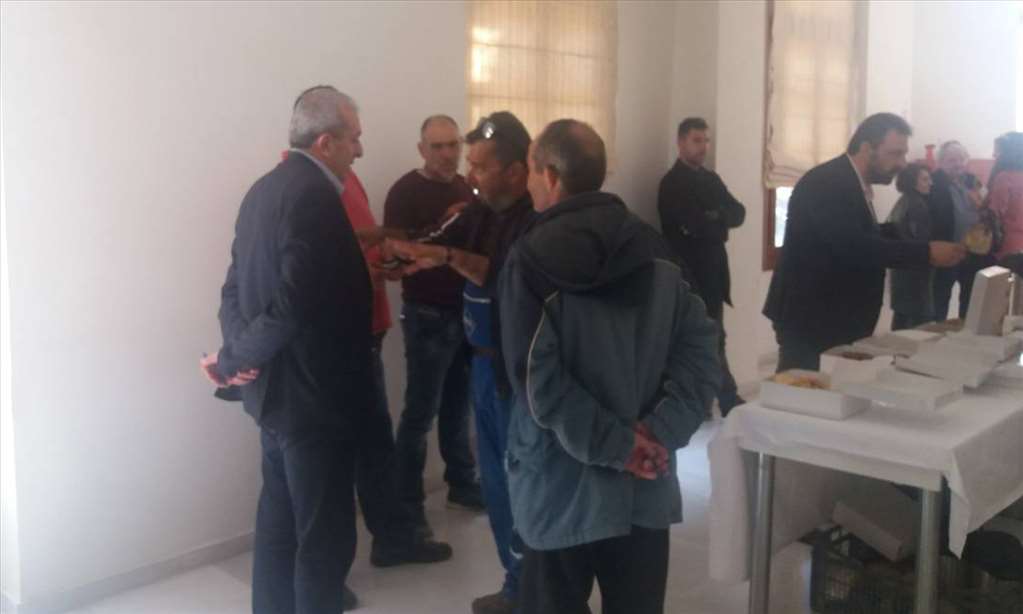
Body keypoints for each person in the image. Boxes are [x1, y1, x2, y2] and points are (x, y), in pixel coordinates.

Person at [499, 119, 720, 614]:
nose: (529, 183)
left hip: (558, 483)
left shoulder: (530, 259)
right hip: (644, 480)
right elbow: (704, 348)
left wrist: (618, 446)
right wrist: (658, 431)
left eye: (531, 170)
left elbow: (536, 382)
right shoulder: (655, 248)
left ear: (551, 175)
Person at [199, 85, 371, 614]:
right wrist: (235, 360)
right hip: (313, 402)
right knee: (324, 539)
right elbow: (293, 306)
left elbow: (233, 290)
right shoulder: (314, 196)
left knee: (278, 527)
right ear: (325, 143)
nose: (359, 150)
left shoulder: (263, 189)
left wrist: (238, 356)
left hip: (274, 398)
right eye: (353, 138)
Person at [384, 112, 537, 614]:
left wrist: (445, 257)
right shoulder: (480, 209)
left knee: (522, 482)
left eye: (478, 165)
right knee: (495, 481)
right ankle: (515, 584)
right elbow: (438, 239)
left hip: (518, 372)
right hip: (481, 360)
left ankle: (535, 587)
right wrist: (405, 252)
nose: (467, 171)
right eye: (452, 153)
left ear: (516, 171)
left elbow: (501, 274)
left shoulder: (535, 219)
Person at [763, 113, 966, 372]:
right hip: (812, 316)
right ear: (867, 148)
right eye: (896, 153)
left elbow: (851, 233)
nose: (902, 164)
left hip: (835, 314)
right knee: (803, 392)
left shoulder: (850, 181)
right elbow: (853, 247)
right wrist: (926, 253)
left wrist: (894, 232)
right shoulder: (828, 182)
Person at [382, 115, 484, 539]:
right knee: (420, 413)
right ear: (421, 149)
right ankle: (407, 506)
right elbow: (393, 256)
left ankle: (461, 484)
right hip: (427, 315)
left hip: (464, 312)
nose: (446, 153)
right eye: (437, 146)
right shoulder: (404, 191)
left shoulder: (466, 188)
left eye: (452, 144)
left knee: (459, 406)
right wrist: (439, 227)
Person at [658, 117, 746, 416]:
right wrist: (716, 219)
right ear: (681, 142)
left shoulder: (711, 179)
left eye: (706, 140)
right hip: (687, 274)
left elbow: (738, 213)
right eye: (697, 140)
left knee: (716, 337)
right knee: (701, 340)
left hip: (714, 274)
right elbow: (692, 225)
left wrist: (713, 217)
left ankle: (712, 400)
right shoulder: (672, 184)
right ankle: (725, 399)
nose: (703, 147)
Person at [887, 163, 936, 330]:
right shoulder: (917, 205)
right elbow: (920, 240)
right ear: (912, 182)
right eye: (925, 179)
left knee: (901, 319)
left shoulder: (903, 201)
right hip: (915, 272)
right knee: (917, 323)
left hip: (903, 269)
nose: (930, 183)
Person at [928, 141, 971, 320]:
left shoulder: (967, 182)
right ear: (940, 162)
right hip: (945, 250)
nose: (958, 164)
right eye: (952, 160)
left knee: (968, 298)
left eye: (961, 159)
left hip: (967, 250)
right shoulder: (934, 183)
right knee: (940, 297)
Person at [956, 172, 1003, 316]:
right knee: (970, 293)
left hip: (979, 250)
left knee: (970, 293)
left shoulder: (971, 195)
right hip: (974, 250)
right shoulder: (970, 197)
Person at [989, 131, 1023, 260]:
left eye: (997, 151)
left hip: (1011, 243)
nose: (994, 155)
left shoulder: (1005, 177)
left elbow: (996, 212)